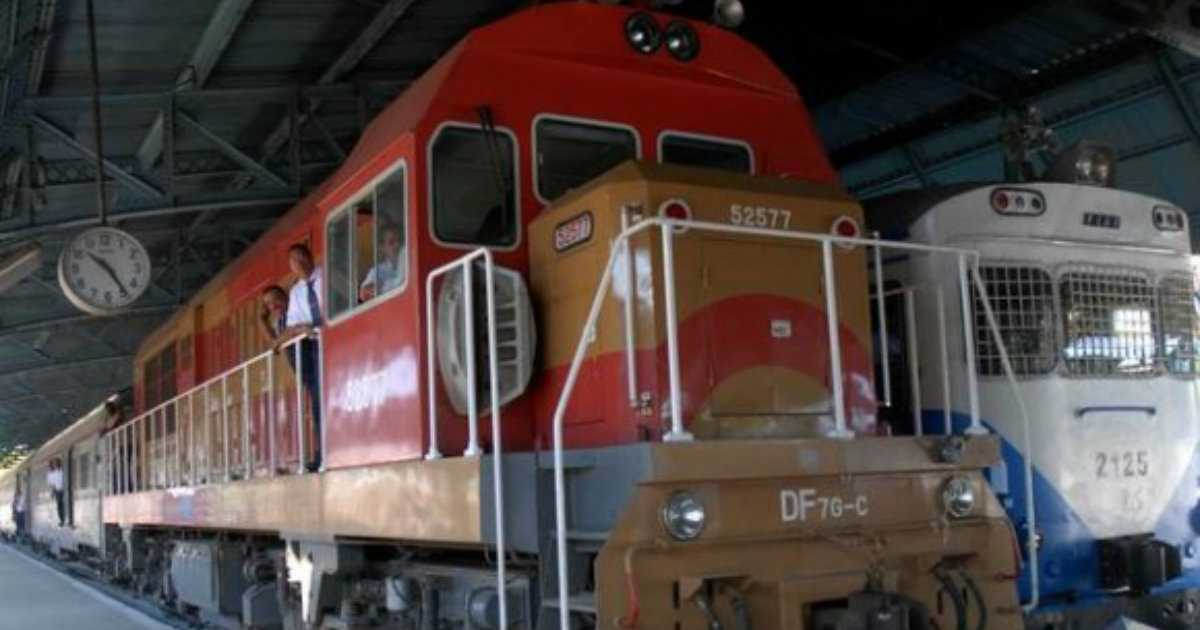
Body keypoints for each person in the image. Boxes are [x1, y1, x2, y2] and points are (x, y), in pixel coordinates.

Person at [277, 244, 324, 472]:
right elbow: (292, 325)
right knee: (317, 398)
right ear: (291, 267)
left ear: (311, 256)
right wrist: (300, 329)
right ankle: (321, 452)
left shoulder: (328, 275)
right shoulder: (296, 292)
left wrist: (317, 323)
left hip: (335, 337)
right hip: (314, 346)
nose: (300, 263)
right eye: (294, 260)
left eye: (302, 257)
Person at [359, 225, 404, 302]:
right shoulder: (377, 271)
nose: (397, 246)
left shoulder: (411, 266)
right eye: (391, 242)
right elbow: (364, 294)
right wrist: (387, 285)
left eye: (400, 241)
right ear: (383, 248)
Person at [47, 458, 65, 526]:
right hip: (58, 490)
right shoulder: (54, 473)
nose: (56, 465)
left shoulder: (62, 471)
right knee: (58, 505)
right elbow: (53, 484)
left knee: (60, 505)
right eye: (56, 464)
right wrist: (53, 491)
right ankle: (60, 520)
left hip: (61, 490)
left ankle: (61, 519)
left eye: (57, 463)